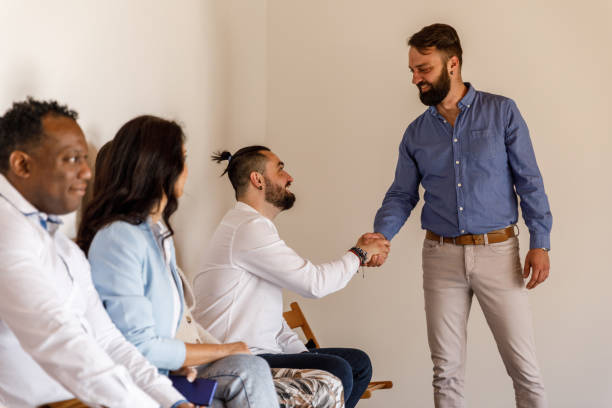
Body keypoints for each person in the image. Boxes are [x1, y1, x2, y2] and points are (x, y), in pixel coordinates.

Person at [371, 24, 552, 407]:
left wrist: (541, 242)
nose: (416, 79)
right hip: (440, 258)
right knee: (446, 372)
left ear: (452, 64)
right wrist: (380, 235)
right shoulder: (416, 133)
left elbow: (529, 180)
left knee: (525, 369)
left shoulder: (501, 111)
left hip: (499, 253)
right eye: (413, 71)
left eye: (424, 69)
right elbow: (402, 194)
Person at [77, 115, 279, 408]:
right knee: (249, 369)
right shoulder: (119, 238)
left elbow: (174, 328)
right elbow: (140, 346)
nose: (186, 170)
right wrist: (224, 349)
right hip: (137, 377)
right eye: (182, 159)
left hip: (167, 370)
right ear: (158, 166)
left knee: (244, 368)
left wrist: (192, 357)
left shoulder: (158, 234)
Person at [0, 98, 191, 407]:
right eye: (73, 159)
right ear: (22, 164)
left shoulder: (61, 245)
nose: (88, 173)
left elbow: (108, 340)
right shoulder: (6, 230)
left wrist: (171, 401)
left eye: (86, 160)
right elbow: (56, 338)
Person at [192, 145, 390, 408]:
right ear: (257, 179)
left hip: (263, 353)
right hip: (238, 358)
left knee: (358, 364)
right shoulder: (248, 228)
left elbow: (273, 321)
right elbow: (314, 283)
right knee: (337, 369)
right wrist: (359, 254)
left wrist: (305, 359)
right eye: (281, 169)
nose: (290, 178)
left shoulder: (253, 228)